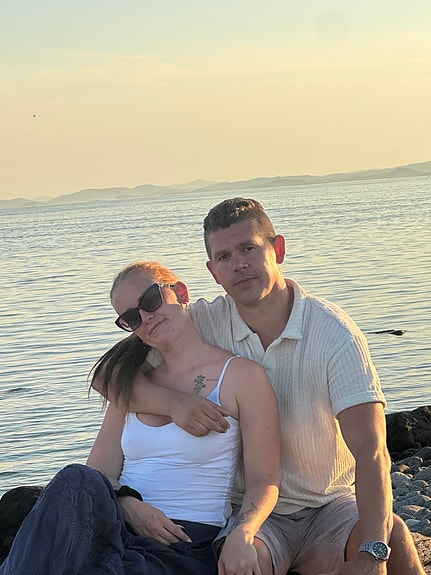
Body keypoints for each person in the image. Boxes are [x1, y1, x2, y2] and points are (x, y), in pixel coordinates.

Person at [93, 198, 426, 575]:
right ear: (213, 272)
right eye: (224, 256)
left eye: (248, 248)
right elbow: (107, 376)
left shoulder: (333, 334)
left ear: (277, 249)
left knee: (394, 536)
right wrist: (173, 404)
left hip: (329, 505)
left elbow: (371, 450)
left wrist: (372, 553)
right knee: (241, 563)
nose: (238, 264)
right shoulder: (199, 321)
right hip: (251, 511)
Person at [0, 260, 280, 575]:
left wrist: (242, 532)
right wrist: (128, 505)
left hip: (184, 540)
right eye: (132, 318)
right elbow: (98, 473)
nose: (146, 317)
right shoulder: (131, 385)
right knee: (72, 478)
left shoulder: (242, 376)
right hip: (119, 528)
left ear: (181, 292)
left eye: (150, 300)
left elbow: (265, 480)